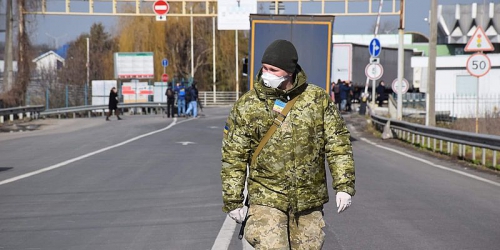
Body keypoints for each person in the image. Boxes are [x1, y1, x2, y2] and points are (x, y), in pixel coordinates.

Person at [221, 39, 356, 249]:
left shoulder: (316, 99)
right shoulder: (248, 104)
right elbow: (234, 155)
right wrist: (233, 200)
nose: (266, 73)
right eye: (264, 68)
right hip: (266, 196)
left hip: (308, 199)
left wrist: (344, 185)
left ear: (289, 72)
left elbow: (337, 143)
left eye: (273, 69)